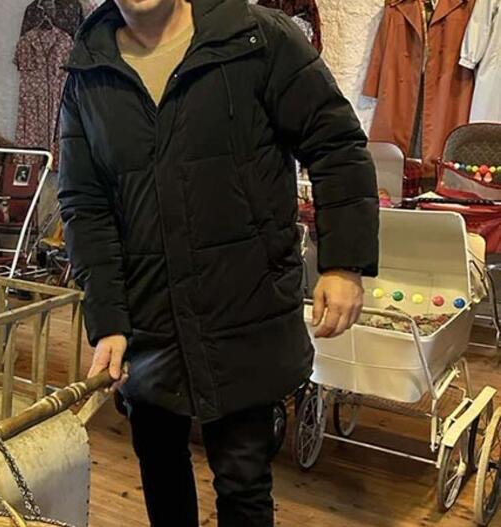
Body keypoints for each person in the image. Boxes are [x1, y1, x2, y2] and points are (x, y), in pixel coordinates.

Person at [57, 1, 379, 526]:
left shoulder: (255, 38)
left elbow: (335, 144)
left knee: (243, 477)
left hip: (244, 309)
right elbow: (84, 204)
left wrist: (344, 264)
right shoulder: (88, 73)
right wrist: (108, 318)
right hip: (148, 316)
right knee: (160, 466)